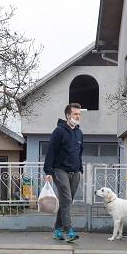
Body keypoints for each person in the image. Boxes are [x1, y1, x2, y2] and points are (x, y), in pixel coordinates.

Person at [44, 103, 83, 242]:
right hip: (59, 169)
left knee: (67, 201)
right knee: (66, 199)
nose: (78, 116)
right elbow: (51, 151)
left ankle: (57, 229)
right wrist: (48, 171)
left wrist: (80, 169)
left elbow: (79, 153)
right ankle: (69, 231)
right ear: (68, 115)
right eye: (75, 114)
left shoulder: (79, 132)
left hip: (75, 171)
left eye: (79, 114)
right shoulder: (59, 131)